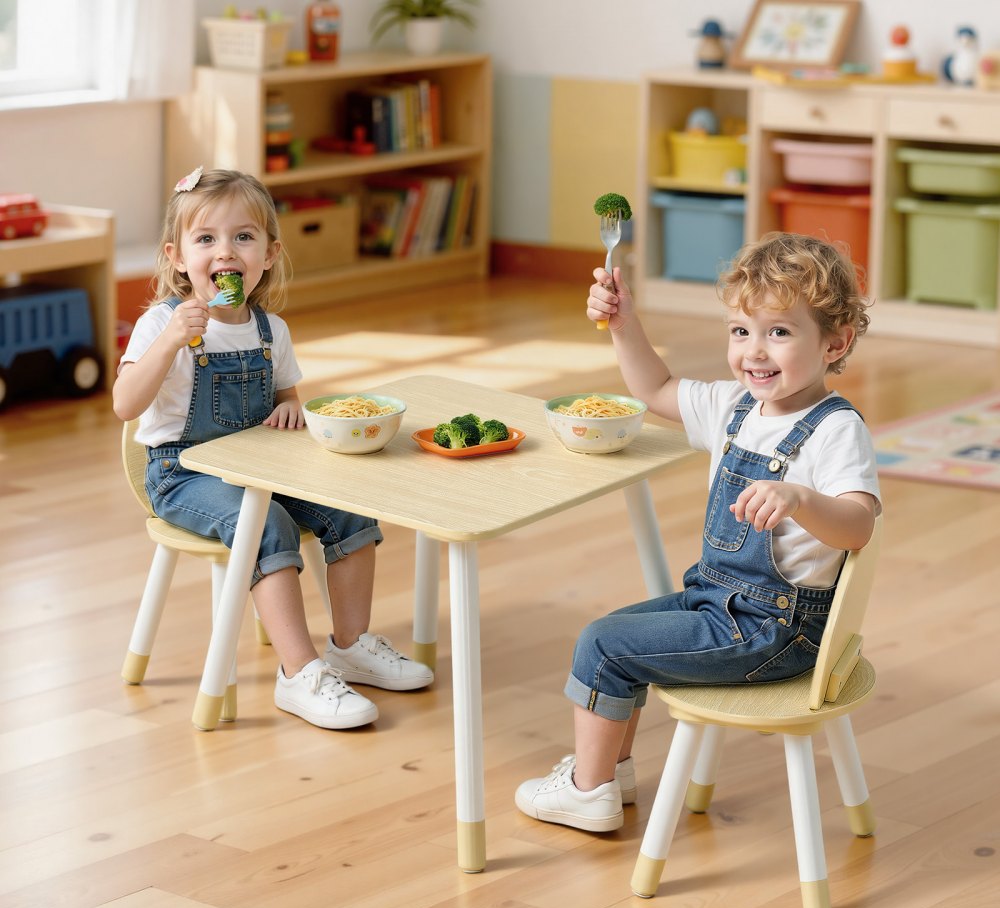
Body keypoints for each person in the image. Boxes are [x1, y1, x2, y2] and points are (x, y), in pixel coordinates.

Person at [515, 232, 881, 832]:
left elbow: (859, 525)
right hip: (719, 602)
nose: (754, 351)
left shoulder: (835, 430)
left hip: (777, 629)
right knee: (616, 634)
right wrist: (623, 324)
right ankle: (611, 773)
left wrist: (800, 499)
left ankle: (587, 791)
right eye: (741, 331)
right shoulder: (734, 407)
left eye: (779, 332)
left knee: (602, 645)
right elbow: (655, 389)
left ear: (834, 343)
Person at [113, 167, 432, 730]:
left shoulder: (270, 330)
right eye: (206, 238)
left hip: (263, 468)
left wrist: (290, 408)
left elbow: (285, 395)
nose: (225, 251)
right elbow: (125, 404)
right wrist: (170, 341)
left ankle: (350, 645)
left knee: (351, 509)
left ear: (268, 254)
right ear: (177, 258)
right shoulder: (160, 323)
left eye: (243, 237)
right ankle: (299, 672)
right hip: (182, 474)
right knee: (267, 525)